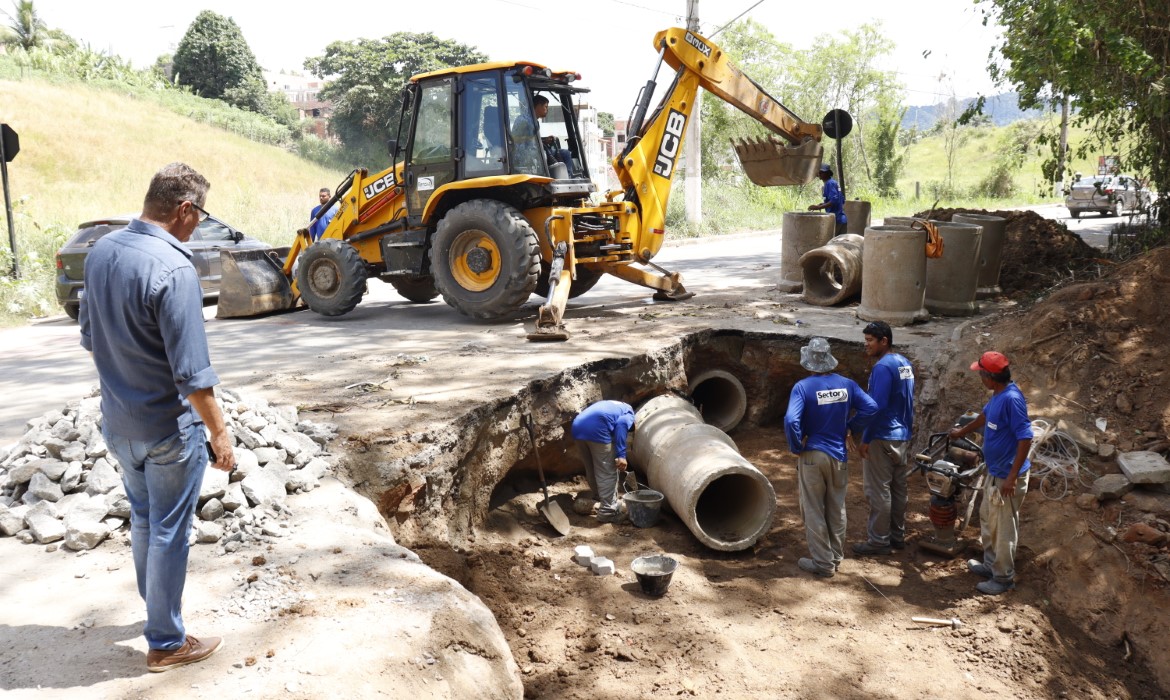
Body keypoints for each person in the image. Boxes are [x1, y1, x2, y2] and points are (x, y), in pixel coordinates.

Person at [79, 162, 236, 672]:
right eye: (201, 215)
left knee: (145, 519)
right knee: (170, 528)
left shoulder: (102, 250)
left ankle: (157, 615)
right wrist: (220, 434)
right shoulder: (174, 268)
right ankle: (166, 641)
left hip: (119, 424)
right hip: (169, 429)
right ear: (185, 209)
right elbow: (192, 374)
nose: (199, 226)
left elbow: (89, 335)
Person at [784, 337, 877, 578]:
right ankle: (835, 557)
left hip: (813, 454)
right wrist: (850, 426)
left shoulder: (803, 387)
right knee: (837, 507)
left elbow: (792, 420)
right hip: (839, 456)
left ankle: (823, 564)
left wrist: (795, 446)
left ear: (808, 362)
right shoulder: (847, 384)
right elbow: (871, 408)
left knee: (813, 509)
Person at [947, 351, 1033, 596]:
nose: (980, 377)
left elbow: (1025, 437)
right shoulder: (997, 395)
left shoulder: (1012, 399)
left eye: (981, 373)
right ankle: (990, 564)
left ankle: (1004, 578)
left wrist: (1012, 477)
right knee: (987, 519)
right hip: (994, 472)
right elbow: (984, 417)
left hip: (1006, 477)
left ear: (991, 376)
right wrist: (961, 432)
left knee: (1003, 528)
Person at [852, 321, 915, 556]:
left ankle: (878, 541)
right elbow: (908, 401)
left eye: (870, 340)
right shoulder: (904, 364)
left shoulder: (882, 368)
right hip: (901, 436)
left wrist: (865, 436)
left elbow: (874, 407)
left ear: (884, 341)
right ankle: (897, 536)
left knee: (879, 491)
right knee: (898, 489)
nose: (866, 345)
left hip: (882, 436)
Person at [571, 400, 635, 523]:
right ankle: (608, 512)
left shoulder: (614, 405)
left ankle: (600, 498)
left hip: (577, 428)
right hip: (596, 430)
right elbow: (621, 426)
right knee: (607, 471)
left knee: (592, 468)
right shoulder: (629, 413)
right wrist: (621, 455)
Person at [807, 164, 847, 234]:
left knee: (833, 243)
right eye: (819, 172)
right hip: (841, 219)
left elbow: (834, 201)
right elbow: (841, 200)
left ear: (828, 173)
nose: (819, 174)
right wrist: (823, 204)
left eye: (822, 172)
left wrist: (818, 207)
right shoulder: (833, 183)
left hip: (836, 219)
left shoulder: (829, 183)